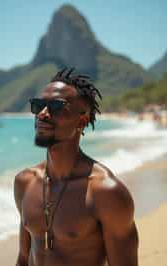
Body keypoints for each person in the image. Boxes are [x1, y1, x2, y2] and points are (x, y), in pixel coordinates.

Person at [14, 68, 139, 266]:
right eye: (39, 106)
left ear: (82, 120)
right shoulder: (25, 182)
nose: (43, 114)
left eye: (56, 107)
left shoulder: (105, 192)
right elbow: (23, 258)